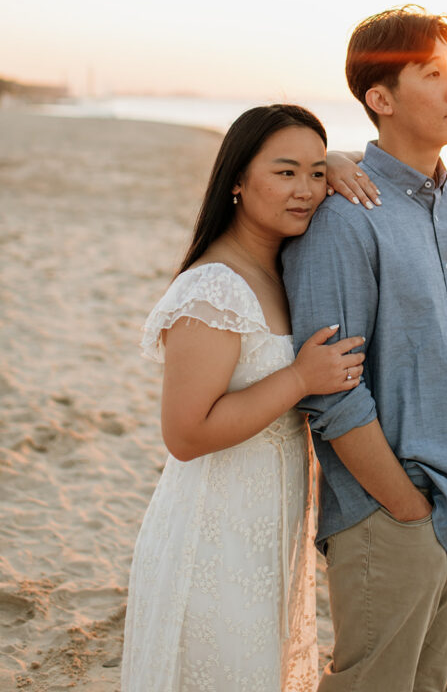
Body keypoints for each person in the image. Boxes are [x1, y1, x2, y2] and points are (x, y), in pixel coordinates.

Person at [282, 6, 447, 692]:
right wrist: (405, 509)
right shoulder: (340, 219)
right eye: (433, 74)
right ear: (381, 98)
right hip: (391, 512)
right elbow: (330, 391)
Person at [120, 104, 369, 692]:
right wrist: (301, 380)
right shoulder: (213, 287)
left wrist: (330, 161)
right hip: (212, 532)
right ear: (236, 180)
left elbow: (374, 163)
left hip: (267, 527)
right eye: (284, 173)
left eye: (313, 175)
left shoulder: (279, 266)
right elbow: (185, 434)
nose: (305, 191)